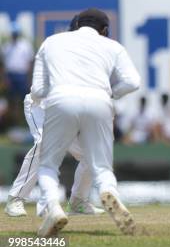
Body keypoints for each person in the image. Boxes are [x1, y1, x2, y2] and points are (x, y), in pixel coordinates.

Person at [31, 8, 141, 236]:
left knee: (48, 164)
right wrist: (112, 94)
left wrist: (62, 90)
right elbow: (133, 82)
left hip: (61, 99)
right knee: (101, 165)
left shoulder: (51, 41)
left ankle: (52, 206)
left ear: (77, 24)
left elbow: (38, 90)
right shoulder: (112, 46)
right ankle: (109, 193)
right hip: (100, 101)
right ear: (105, 30)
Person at [5, 16, 104, 218]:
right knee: (43, 144)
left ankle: (78, 201)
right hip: (40, 106)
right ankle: (16, 199)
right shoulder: (59, 47)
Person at [2, 23, 34, 125]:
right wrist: (5, 78)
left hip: (22, 75)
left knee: (24, 101)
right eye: (13, 33)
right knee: (11, 101)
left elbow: (29, 62)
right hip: (11, 75)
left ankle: (24, 123)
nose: (14, 35)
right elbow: (3, 64)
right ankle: (12, 123)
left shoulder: (25, 45)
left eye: (15, 33)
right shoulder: (6, 46)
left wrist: (29, 78)